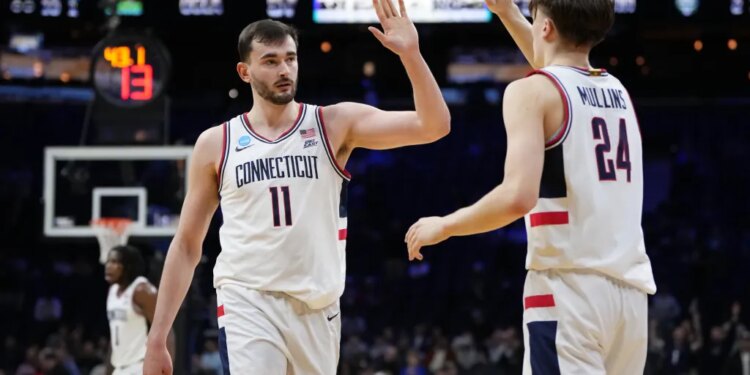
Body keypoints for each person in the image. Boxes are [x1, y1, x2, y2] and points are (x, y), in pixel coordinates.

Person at [143, 0, 451, 373]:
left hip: (317, 306)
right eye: (271, 61)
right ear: (245, 71)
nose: (284, 69)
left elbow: (434, 126)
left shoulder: (333, 123)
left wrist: (412, 55)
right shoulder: (216, 143)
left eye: (290, 58)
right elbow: (188, 244)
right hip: (246, 300)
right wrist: (158, 338)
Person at [405, 0, 656, 373]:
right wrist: (508, 13)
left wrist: (446, 225)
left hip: (568, 292)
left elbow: (518, 197)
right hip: (630, 297)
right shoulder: (617, 91)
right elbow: (555, 71)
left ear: (546, 28)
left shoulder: (530, 92)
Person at [105, 245, 173, 375]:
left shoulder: (142, 290)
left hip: (139, 366)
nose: (108, 266)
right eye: (108, 261)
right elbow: (115, 337)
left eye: (114, 262)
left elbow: (166, 331)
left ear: (127, 266)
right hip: (119, 368)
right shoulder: (112, 291)